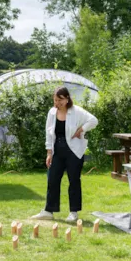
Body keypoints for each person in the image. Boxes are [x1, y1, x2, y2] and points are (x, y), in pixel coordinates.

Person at [31, 87, 98, 222]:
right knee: (52, 179)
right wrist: (49, 152)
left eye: (60, 100)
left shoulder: (77, 111)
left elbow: (94, 120)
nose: (57, 103)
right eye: (55, 100)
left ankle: (73, 212)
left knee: (74, 181)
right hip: (57, 151)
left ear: (67, 99)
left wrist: (81, 129)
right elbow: (48, 134)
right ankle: (48, 211)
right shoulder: (51, 113)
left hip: (74, 151)